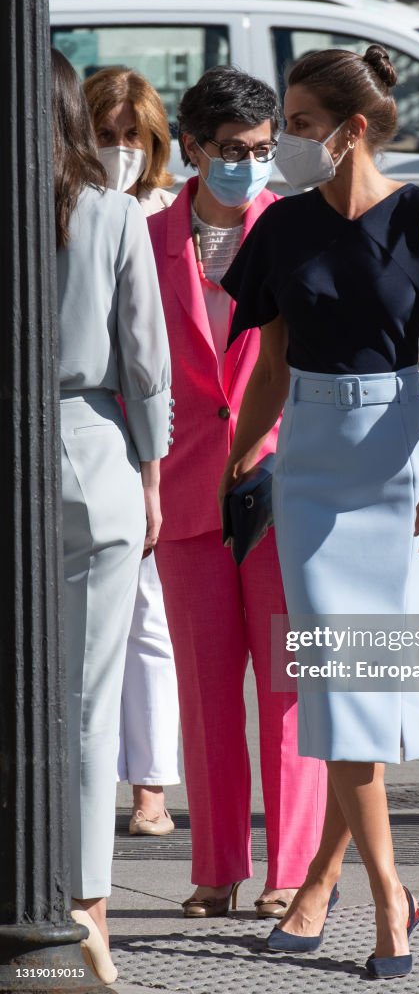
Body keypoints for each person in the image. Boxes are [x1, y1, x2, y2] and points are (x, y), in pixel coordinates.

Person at [219, 45, 419, 979]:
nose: (282, 145)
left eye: (297, 127)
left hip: (400, 458)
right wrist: (234, 460)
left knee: (360, 697)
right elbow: (271, 363)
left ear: (353, 129)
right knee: (343, 693)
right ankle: (385, 898)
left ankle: (333, 887)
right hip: (312, 468)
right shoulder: (283, 227)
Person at [147, 66, 327, 920]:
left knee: (288, 689)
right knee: (206, 693)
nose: (246, 165)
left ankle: (288, 870)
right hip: (183, 492)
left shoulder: (297, 231)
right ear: (190, 146)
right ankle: (216, 867)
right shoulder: (142, 240)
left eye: (259, 151)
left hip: (283, 489)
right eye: (229, 151)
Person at [53, 49, 172, 985]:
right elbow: (145, 362)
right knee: (91, 706)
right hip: (94, 453)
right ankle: (87, 904)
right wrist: (154, 473)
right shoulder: (111, 212)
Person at [84, 66, 180, 837]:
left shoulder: (166, 212)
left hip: (161, 428)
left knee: (147, 613)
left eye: (130, 136)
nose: (118, 149)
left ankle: (150, 780)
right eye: (104, 135)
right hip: (101, 423)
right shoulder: (78, 207)